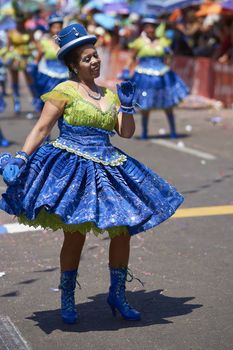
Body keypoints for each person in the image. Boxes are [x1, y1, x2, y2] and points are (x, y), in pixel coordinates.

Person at [0, 23, 184, 325]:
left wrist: (126, 106)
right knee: (75, 234)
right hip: (72, 168)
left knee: (122, 230)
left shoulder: (110, 95)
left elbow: (125, 133)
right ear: (74, 65)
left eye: (96, 56)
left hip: (108, 166)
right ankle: (68, 298)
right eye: (87, 59)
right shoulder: (65, 91)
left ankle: (117, 294)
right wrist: (22, 157)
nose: (95, 62)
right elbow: (42, 128)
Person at [121, 16, 189, 139]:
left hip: (162, 75)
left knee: (167, 103)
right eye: (148, 27)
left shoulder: (163, 41)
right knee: (145, 105)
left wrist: (167, 64)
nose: (150, 29)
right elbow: (131, 57)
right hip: (144, 76)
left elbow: (170, 56)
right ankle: (145, 132)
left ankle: (173, 131)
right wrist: (126, 69)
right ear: (145, 28)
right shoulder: (139, 42)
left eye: (153, 27)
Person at [33, 13, 69, 113]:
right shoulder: (44, 42)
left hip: (65, 75)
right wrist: (33, 68)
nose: (57, 29)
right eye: (54, 27)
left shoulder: (66, 43)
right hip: (49, 76)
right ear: (50, 28)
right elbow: (37, 59)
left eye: (59, 27)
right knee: (49, 100)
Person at [5, 15, 38, 114]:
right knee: (15, 80)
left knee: (30, 79)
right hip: (15, 58)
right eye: (18, 22)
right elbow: (8, 46)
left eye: (22, 21)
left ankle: (35, 100)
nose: (20, 24)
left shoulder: (29, 31)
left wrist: (34, 50)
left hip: (27, 58)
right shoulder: (11, 32)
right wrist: (7, 55)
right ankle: (16, 102)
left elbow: (34, 44)